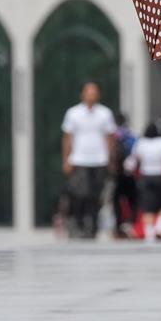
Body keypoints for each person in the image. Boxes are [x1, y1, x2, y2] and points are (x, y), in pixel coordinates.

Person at [60, 82, 116, 238]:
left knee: (96, 195)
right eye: (88, 92)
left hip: (99, 160)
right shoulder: (73, 113)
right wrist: (66, 159)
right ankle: (78, 221)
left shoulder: (105, 114)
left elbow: (110, 138)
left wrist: (111, 160)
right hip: (79, 159)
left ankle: (92, 224)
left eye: (94, 92)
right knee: (80, 193)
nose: (91, 95)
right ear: (83, 94)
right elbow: (67, 138)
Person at [126, 120, 161, 241]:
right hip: (160, 176)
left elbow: (134, 161)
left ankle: (149, 234)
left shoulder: (141, 143)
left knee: (148, 207)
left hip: (145, 177)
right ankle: (160, 227)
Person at [111, 111, 138, 237]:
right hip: (129, 173)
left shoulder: (113, 136)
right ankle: (132, 223)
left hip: (116, 174)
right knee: (132, 199)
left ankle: (118, 225)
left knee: (116, 200)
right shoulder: (131, 135)